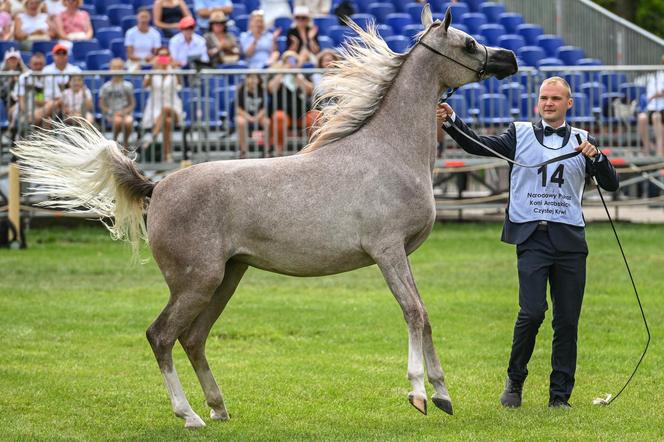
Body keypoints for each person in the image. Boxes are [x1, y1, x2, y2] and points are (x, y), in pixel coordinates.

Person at [438, 76, 620, 409]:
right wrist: (452, 121)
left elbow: (611, 184)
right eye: (543, 98)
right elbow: (479, 145)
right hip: (532, 236)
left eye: (555, 98)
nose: (548, 103)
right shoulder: (519, 134)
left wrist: (596, 158)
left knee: (567, 320)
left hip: (570, 240)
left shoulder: (583, 139)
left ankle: (559, 396)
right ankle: (515, 379)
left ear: (569, 103)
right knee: (532, 312)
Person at [267, 50, 313, 156]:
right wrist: (282, 73)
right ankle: (279, 152)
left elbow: (309, 90)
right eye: (286, 60)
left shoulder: (302, 74)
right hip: (283, 110)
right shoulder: (277, 75)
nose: (290, 63)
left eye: (293, 60)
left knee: (314, 117)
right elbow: (271, 89)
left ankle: (313, 150)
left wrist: (297, 76)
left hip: (301, 112)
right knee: (279, 117)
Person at [141, 47, 183, 161]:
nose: (163, 58)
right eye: (160, 55)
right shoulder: (153, 71)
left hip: (174, 107)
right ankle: (167, 156)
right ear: (157, 57)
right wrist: (153, 69)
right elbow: (145, 85)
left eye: (165, 55)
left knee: (166, 109)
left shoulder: (174, 70)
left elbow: (180, 85)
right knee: (167, 123)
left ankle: (153, 136)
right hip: (155, 108)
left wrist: (175, 68)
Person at [99, 58, 135, 147]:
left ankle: (125, 144)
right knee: (118, 121)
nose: (117, 70)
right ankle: (114, 143)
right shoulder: (105, 87)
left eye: (119, 67)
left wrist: (125, 112)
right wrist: (111, 112)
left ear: (123, 69)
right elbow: (101, 104)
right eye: (114, 67)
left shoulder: (128, 86)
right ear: (110, 69)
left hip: (125, 113)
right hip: (111, 113)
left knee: (129, 122)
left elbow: (132, 103)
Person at [42, 43, 81, 121]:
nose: (61, 56)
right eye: (58, 53)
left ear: (67, 56)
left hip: (71, 104)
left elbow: (80, 89)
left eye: (64, 53)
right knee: (48, 110)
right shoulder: (46, 70)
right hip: (52, 102)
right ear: (53, 56)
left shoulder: (75, 70)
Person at [235, 73, 269, 158]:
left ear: (258, 80)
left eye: (255, 78)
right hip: (245, 115)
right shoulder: (241, 90)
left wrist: (257, 117)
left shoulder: (262, 90)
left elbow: (264, 108)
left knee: (267, 122)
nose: (253, 80)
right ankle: (243, 151)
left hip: (259, 116)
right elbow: (238, 109)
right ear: (246, 79)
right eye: (251, 78)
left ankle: (267, 150)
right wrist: (248, 117)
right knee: (240, 122)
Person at [637, 55, 664, 157]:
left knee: (656, 117)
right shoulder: (655, 77)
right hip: (654, 107)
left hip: (662, 109)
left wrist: (657, 94)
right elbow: (650, 96)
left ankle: (660, 151)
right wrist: (657, 94)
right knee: (642, 118)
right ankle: (647, 147)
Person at [15, 52, 46, 128]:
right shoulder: (24, 77)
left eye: (40, 64)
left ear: (44, 64)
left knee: (47, 121)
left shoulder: (48, 76)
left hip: (40, 111)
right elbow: (21, 102)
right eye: (35, 64)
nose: (38, 66)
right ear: (30, 64)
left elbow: (40, 102)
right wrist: (28, 114)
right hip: (24, 112)